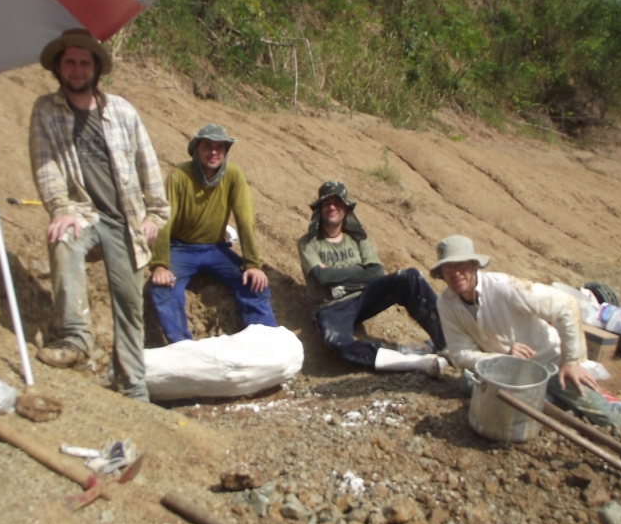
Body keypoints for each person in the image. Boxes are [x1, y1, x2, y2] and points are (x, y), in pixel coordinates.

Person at [28, 29, 169, 402]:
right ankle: (74, 337)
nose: (76, 70)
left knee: (129, 304)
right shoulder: (46, 110)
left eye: (84, 62)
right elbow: (45, 167)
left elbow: (147, 162)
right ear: (59, 67)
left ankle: (132, 386)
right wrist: (60, 209)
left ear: (96, 69)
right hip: (81, 212)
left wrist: (156, 213)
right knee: (62, 239)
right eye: (70, 62)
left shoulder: (121, 111)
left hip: (127, 219)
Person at [431, 234, 621, 433]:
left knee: (605, 416)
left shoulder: (506, 287)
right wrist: (505, 357)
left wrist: (571, 361)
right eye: (448, 268)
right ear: (441, 274)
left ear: (474, 264)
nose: (455, 272)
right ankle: (555, 403)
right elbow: (460, 353)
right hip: (505, 372)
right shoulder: (446, 304)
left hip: (548, 364)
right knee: (468, 384)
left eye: (461, 264)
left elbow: (566, 305)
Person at [298, 181, 446, 371]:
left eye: (337, 202)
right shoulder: (308, 243)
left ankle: (448, 343)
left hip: (364, 298)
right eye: (327, 203)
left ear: (346, 208)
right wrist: (359, 269)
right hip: (331, 307)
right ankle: (410, 361)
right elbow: (321, 277)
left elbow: (376, 272)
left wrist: (339, 280)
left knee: (410, 277)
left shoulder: (357, 238)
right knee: (339, 343)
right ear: (319, 208)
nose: (332, 207)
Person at [148, 124, 276, 342]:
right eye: (207, 146)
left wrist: (253, 264)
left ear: (226, 152)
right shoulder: (179, 175)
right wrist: (160, 264)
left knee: (254, 285)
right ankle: (183, 349)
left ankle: (264, 345)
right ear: (196, 148)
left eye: (220, 147)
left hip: (215, 248)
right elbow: (165, 220)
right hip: (179, 247)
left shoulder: (233, 175)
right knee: (161, 289)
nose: (213, 152)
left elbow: (245, 219)